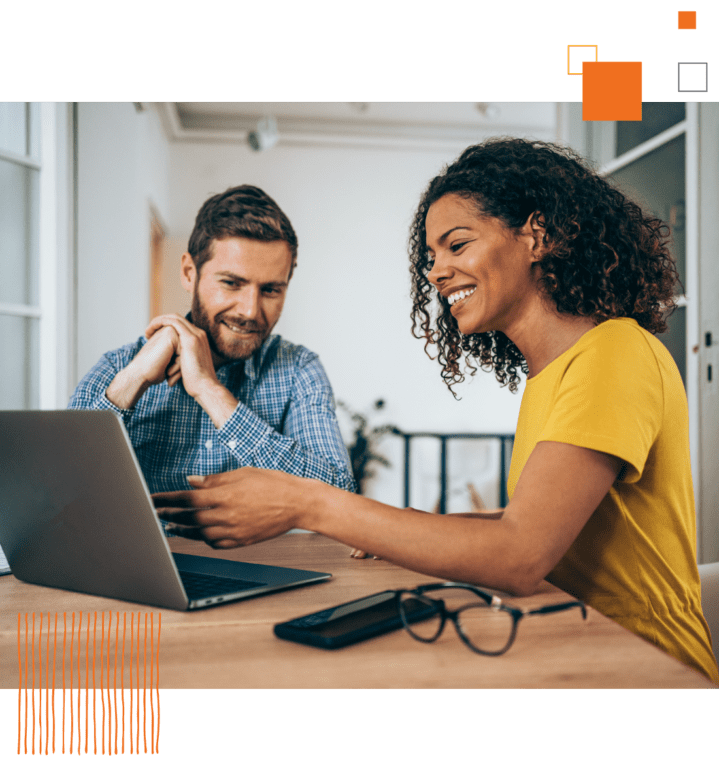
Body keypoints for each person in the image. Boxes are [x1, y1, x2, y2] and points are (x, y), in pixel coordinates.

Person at [152, 140, 719, 683]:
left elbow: (521, 553)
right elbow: (535, 526)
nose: (435, 270)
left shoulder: (614, 353)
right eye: (431, 255)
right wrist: (393, 531)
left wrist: (309, 501)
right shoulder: (553, 374)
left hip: (647, 668)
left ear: (537, 237)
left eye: (457, 244)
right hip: (575, 643)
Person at [69, 184, 355, 503]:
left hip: (260, 556)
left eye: (271, 290)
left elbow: (340, 497)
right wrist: (131, 382)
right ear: (190, 273)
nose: (250, 310)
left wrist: (210, 390)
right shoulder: (119, 368)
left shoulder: (299, 370)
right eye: (231, 283)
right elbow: (59, 487)